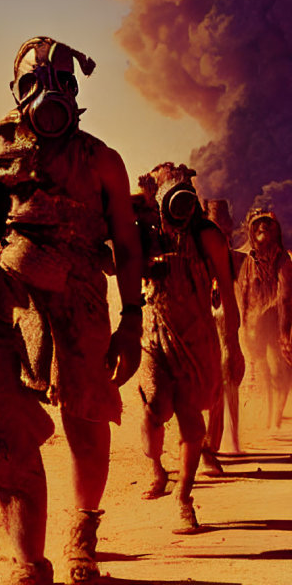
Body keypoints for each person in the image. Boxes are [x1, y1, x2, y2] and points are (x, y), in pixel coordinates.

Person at [0, 36, 143, 585]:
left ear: (75, 91)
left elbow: (126, 245)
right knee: (5, 425)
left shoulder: (102, 161)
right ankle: (27, 555)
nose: (46, 94)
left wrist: (132, 319)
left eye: (59, 82)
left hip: (82, 304)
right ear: (16, 93)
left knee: (87, 419)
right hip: (13, 303)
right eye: (32, 84)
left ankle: (83, 534)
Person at [132, 164, 242, 532]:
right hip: (154, 334)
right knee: (152, 409)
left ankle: (183, 499)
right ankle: (156, 468)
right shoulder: (147, 232)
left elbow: (226, 293)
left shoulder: (207, 236)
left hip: (197, 339)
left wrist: (234, 346)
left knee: (192, 424)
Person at [236, 208, 292, 431]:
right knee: (263, 372)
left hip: (280, 322)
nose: (263, 229)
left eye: (267, 225)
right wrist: (246, 327)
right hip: (256, 325)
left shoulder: (283, 260)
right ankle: (269, 419)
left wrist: (284, 332)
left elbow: (286, 298)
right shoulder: (249, 260)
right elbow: (245, 294)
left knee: (278, 370)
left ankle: (275, 420)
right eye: (258, 225)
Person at [201, 199, 246, 465]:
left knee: (226, 380)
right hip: (203, 327)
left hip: (226, 330)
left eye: (225, 230)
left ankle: (217, 443)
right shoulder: (196, 258)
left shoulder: (238, 261)